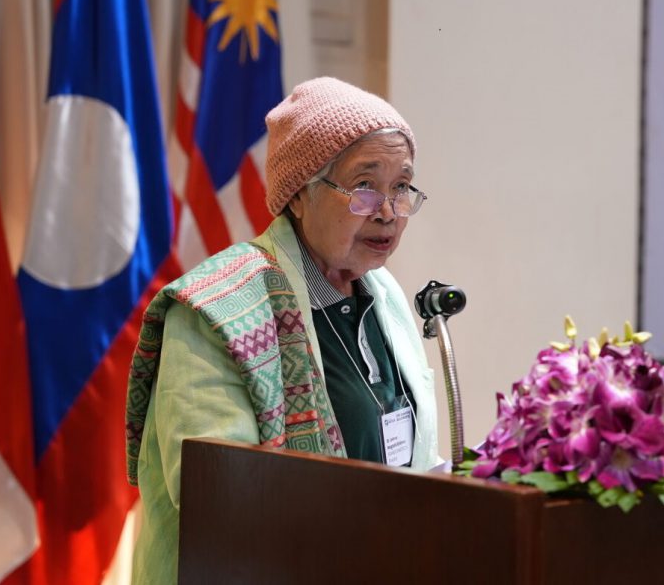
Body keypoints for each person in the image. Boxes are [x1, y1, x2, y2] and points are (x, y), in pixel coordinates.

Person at [124, 77, 440, 584]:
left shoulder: (384, 295)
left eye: (401, 187)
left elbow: (415, 460)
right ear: (298, 196)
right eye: (364, 186)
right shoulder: (215, 312)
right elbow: (218, 502)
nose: (387, 211)